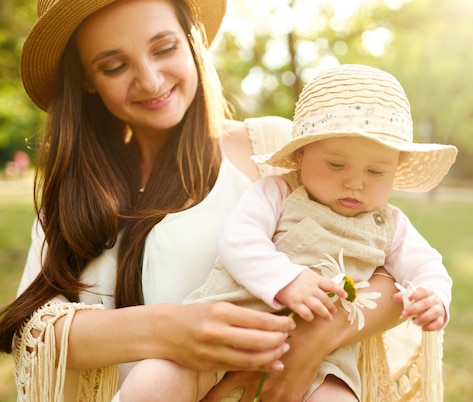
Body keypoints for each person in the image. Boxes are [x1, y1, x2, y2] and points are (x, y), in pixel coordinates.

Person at [0, 1, 423, 401]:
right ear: (87, 80)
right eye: (114, 65)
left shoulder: (270, 148)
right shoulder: (75, 188)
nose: (149, 80)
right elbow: (33, 330)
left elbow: (388, 270)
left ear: (192, 38)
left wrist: (321, 337)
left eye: (163, 47)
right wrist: (170, 328)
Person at [118, 64, 457, 402]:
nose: (355, 182)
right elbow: (239, 239)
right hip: (231, 329)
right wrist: (286, 279)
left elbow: (426, 265)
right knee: (152, 383)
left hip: (321, 362)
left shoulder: (391, 224)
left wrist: (432, 295)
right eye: (336, 165)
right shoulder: (277, 192)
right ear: (301, 153)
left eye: (376, 171)